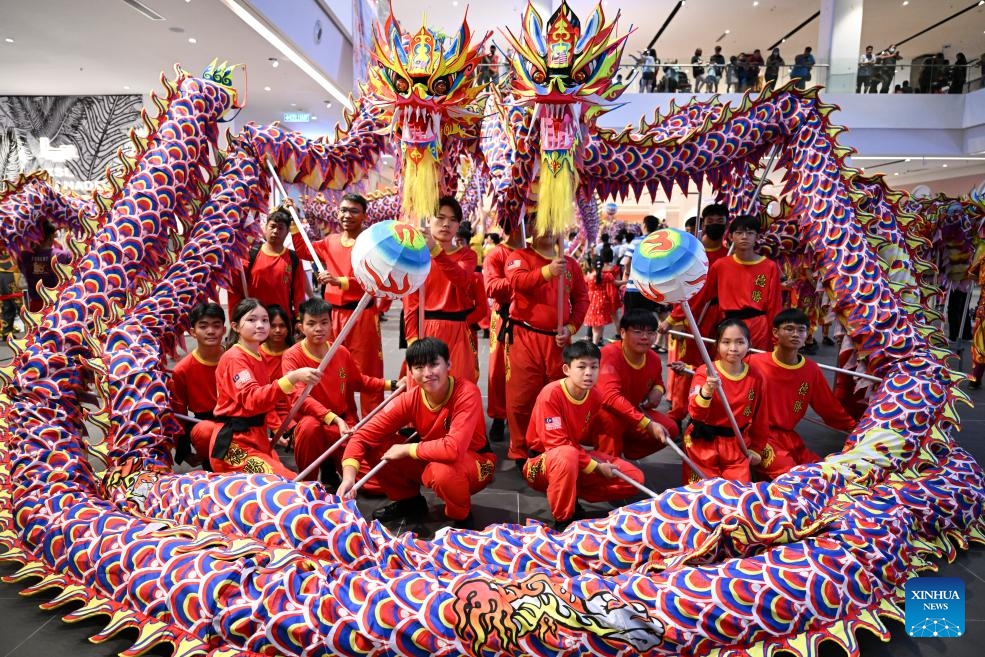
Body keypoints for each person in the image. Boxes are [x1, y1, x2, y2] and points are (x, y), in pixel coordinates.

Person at [336, 338, 496, 529]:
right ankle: (409, 501)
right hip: (431, 456)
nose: (427, 373)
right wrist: (348, 477)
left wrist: (407, 449)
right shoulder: (411, 398)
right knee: (377, 444)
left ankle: (461, 515)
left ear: (448, 364)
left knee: (441, 472)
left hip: (476, 462)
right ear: (410, 372)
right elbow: (362, 435)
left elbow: (453, 449)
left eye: (434, 364)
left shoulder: (467, 392)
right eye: (419, 367)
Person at [522, 340, 645, 530]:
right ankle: (563, 520)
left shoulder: (594, 396)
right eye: (581, 366)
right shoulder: (550, 394)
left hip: (574, 457)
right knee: (566, 455)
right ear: (566, 369)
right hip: (540, 463)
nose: (588, 373)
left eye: (594, 367)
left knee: (634, 477)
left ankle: (570, 490)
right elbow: (555, 444)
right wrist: (595, 466)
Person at [282, 298, 397, 486]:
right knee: (309, 427)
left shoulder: (340, 352)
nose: (318, 328)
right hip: (318, 424)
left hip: (344, 425)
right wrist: (334, 419)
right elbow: (299, 398)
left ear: (331, 323)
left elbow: (359, 381)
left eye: (323, 322)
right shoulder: (292, 356)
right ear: (300, 327)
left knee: (375, 484)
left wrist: (392, 384)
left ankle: (330, 465)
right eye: (311, 323)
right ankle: (307, 484)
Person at [292, 193, 384, 416]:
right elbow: (304, 250)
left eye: (354, 211)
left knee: (368, 370)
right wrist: (295, 221)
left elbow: (375, 281)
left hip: (362, 315)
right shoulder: (330, 241)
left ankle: (373, 424)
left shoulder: (371, 244)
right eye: (343, 210)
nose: (347, 215)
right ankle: (339, 418)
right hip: (332, 317)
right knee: (333, 368)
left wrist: (338, 281)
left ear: (364, 215)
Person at [504, 226, 590, 463]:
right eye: (542, 222)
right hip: (524, 337)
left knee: (556, 395)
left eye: (553, 222)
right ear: (532, 227)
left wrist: (571, 327)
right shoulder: (519, 257)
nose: (548, 229)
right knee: (521, 396)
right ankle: (519, 447)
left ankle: (548, 443)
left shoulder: (570, 264)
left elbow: (582, 298)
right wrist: (548, 272)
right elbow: (517, 281)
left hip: (559, 341)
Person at [208, 299, 321, 476]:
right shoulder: (234, 358)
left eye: (264, 320)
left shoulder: (257, 355)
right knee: (288, 484)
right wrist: (291, 378)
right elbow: (252, 399)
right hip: (235, 445)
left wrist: (278, 427)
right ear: (236, 326)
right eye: (252, 320)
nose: (260, 325)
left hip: (256, 439)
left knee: (288, 480)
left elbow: (266, 403)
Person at [748, 309, 856, 479]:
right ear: (775, 332)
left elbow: (828, 406)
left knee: (823, 472)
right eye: (789, 329)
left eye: (801, 330)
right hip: (759, 437)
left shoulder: (811, 370)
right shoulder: (754, 363)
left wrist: (855, 428)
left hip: (789, 437)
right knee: (790, 477)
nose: (796, 334)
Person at [663, 214, 782, 352]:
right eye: (739, 233)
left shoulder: (769, 266)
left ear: (757, 237)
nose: (744, 237)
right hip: (729, 325)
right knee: (727, 367)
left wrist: (777, 338)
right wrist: (672, 319)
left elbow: (774, 306)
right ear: (731, 236)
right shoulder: (721, 266)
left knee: (757, 367)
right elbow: (699, 296)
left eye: (750, 233)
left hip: (758, 327)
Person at [403, 196, 480, 384]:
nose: (446, 224)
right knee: (423, 389)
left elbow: (461, 278)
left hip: (458, 331)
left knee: (459, 387)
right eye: (440, 217)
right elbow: (410, 302)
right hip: (426, 327)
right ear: (429, 220)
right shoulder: (416, 256)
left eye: (453, 220)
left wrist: (435, 251)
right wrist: (412, 339)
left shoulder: (467, 255)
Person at [665, 204, 730, 422]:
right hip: (692, 316)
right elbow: (680, 288)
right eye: (710, 221)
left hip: (721, 318)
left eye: (720, 221)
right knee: (688, 366)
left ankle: (709, 412)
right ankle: (678, 412)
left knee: (720, 367)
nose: (715, 225)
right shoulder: (691, 254)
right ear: (702, 224)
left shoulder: (729, 254)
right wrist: (674, 318)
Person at [683, 319, 766, 483]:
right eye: (726, 342)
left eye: (740, 342)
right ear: (717, 344)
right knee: (704, 495)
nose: (733, 349)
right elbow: (696, 413)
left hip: (736, 444)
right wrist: (707, 389)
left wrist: (757, 449)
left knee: (737, 495)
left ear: (749, 344)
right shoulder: (705, 372)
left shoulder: (756, 377)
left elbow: (761, 416)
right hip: (703, 444)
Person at [594, 310, 677, 461]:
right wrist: (647, 424)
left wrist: (658, 390)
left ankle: (626, 452)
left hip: (632, 414)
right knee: (612, 422)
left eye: (651, 332)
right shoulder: (609, 354)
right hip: (601, 415)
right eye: (638, 332)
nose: (645, 337)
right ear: (623, 332)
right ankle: (607, 465)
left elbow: (658, 380)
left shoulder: (653, 358)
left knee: (670, 429)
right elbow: (610, 397)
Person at [482, 218, 527, 442]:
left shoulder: (535, 252)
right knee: (498, 368)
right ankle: (499, 416)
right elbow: (491, 287)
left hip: (530, 319)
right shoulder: (496, 254)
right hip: (504, 316)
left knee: (524, 371)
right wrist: (523, 280)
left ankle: (521, 417)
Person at [169, 302, 225, 467]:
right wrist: (184, 451)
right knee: (205, 432)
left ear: (224, 329)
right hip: (207, 427)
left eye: (216, 326)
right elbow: (179, 412)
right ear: (192, 332)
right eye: (203, 326)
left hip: (239, 423)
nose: (210, 331)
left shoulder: (237, 357)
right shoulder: (182, 370)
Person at [229, 207, 307, 326]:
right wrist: (235, 318)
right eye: (272, 226)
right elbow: (235, 289)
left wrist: (298, 320)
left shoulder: (294, 258)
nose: (276, 231)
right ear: (265, 228)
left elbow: (299, 293)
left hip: (281, 323)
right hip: (254, 322)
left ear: (287, 232)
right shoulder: (249, 255)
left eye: (280, 228)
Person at [18, 221, 71, 313]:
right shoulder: (64, 256)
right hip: (60, 306)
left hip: (36, 307)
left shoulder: (23, 256)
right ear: (51, 237)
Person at [620, 215, 662, 318]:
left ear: (644, 225)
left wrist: (627, 273)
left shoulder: (636, 242)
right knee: (646, 320)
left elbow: (626, 261)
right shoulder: (660, 243)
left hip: (634, 288)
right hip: (651, 289)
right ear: (656, 227)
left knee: (631, 320)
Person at [0, 250, 21, 337]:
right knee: (14, 304)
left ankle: (7, 331)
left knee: (8, 305)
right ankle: (7, 331)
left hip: (9, 273)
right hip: (9, 273)